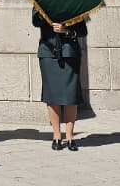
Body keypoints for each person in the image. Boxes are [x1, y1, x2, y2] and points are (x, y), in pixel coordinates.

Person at [33, 9, 86, 151]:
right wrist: (41, 11)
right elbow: (35, 22)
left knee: (71, 95)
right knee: (52, 95)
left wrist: (66, 30)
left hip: (69, 52)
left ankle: (69, 137)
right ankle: (56, 136)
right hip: (48, 52)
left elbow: (82, 30)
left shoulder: (73, 1)